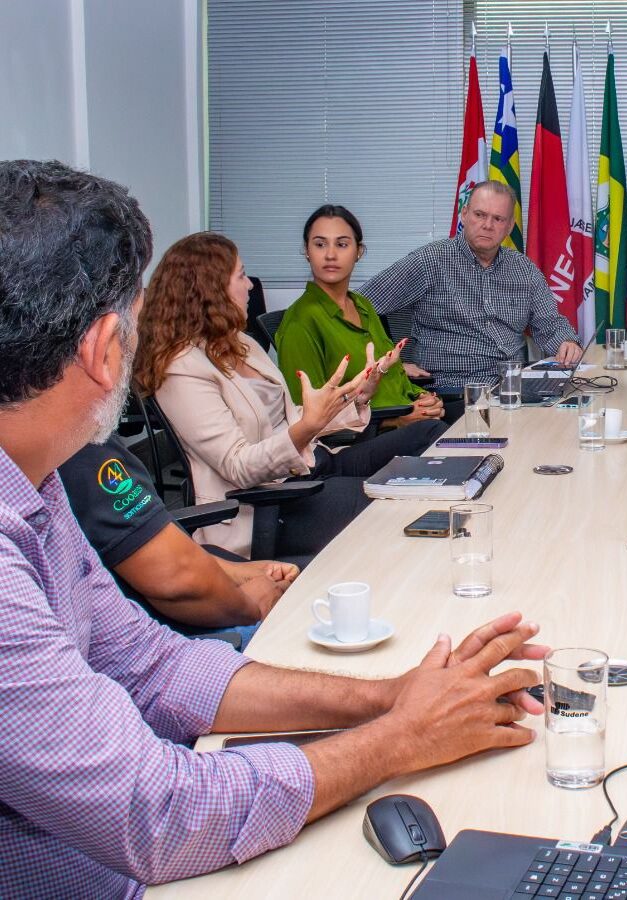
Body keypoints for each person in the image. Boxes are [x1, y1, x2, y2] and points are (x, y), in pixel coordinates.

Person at [0, 160, 549, 898]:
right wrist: (399, 738)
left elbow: (151, 666)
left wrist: (392, 695)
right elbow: (159, 814)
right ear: (104, 349)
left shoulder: (37, 483)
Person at [134, 232, 445, 560]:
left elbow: (294, 417)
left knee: (428, 433)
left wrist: (359, 397)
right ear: (209, 288)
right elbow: (238, 466)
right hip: (271, 500)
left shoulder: (240, 343)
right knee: (389, 504)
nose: (250, 286)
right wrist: (306, 428)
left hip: (313, 464)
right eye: (241, 275)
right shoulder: (182, 369)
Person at [58, 434, 298, 647]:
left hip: (147, 612)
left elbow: (149, 543)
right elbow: (177, 579)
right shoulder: (81, 448)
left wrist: (243, 573)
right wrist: (252, 604)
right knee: (300, 625)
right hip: (151, 640)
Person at [359, 181, 583, 399]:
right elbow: (356, 305)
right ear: (464, 214)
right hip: (451, 391)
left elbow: (549, 323)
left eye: (498, 219)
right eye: (480, 215)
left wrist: (567, 343)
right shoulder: (430, 261)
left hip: (513, 387)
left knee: (576, 408)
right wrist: (390, 364)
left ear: (509, 226)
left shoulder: (524, 269)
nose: (487, 225)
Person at [275, 204, 447, 426]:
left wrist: (423, 398)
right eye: (320, 244)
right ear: (307, 251)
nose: (330, 255)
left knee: (472, 421)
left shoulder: (362, 305)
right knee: (442, 432)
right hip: (363, 436)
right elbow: (307, 417)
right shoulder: (300, 323)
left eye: (342, 244)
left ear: (359, 252)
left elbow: (393, 376)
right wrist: (396, 420)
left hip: (405, 417)